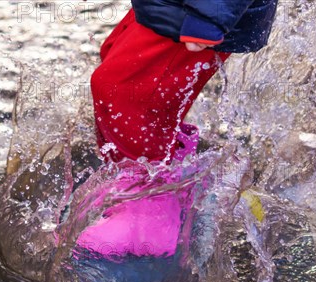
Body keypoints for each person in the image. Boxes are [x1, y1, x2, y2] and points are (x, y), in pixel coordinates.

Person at [75, 0, 278, 262]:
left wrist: (208, 19)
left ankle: (149, 214)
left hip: (196, 14)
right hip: (174, 9)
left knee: (128, 94)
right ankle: (166, 178)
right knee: (123, 72)